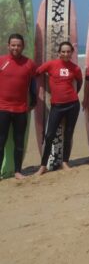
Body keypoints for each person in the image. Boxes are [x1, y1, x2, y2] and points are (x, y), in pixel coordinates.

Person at [35, 41, 83, 175]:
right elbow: (36, 72)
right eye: (63, 51)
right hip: (57, 106)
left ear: (72, 53)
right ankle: (43, 166)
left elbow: (79, 82)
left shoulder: (75, 68)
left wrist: (73, 94)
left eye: (68, 52)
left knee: (68, 134)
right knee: (49, 135)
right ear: (59, 52)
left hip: (73, 105)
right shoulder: (51, 65)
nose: (66, 54)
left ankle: (65, 162)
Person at [0, 34, 36, 179]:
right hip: (2, 108)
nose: (16, 48)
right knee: (0, 142)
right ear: (8, 46)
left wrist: (33, 101)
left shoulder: (29, 64)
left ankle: (17, 171)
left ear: (23, 46)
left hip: (21, 109)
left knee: (19, 142)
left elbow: (33, 84)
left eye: (18, 45)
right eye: (13, 45)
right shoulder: (1, 61)